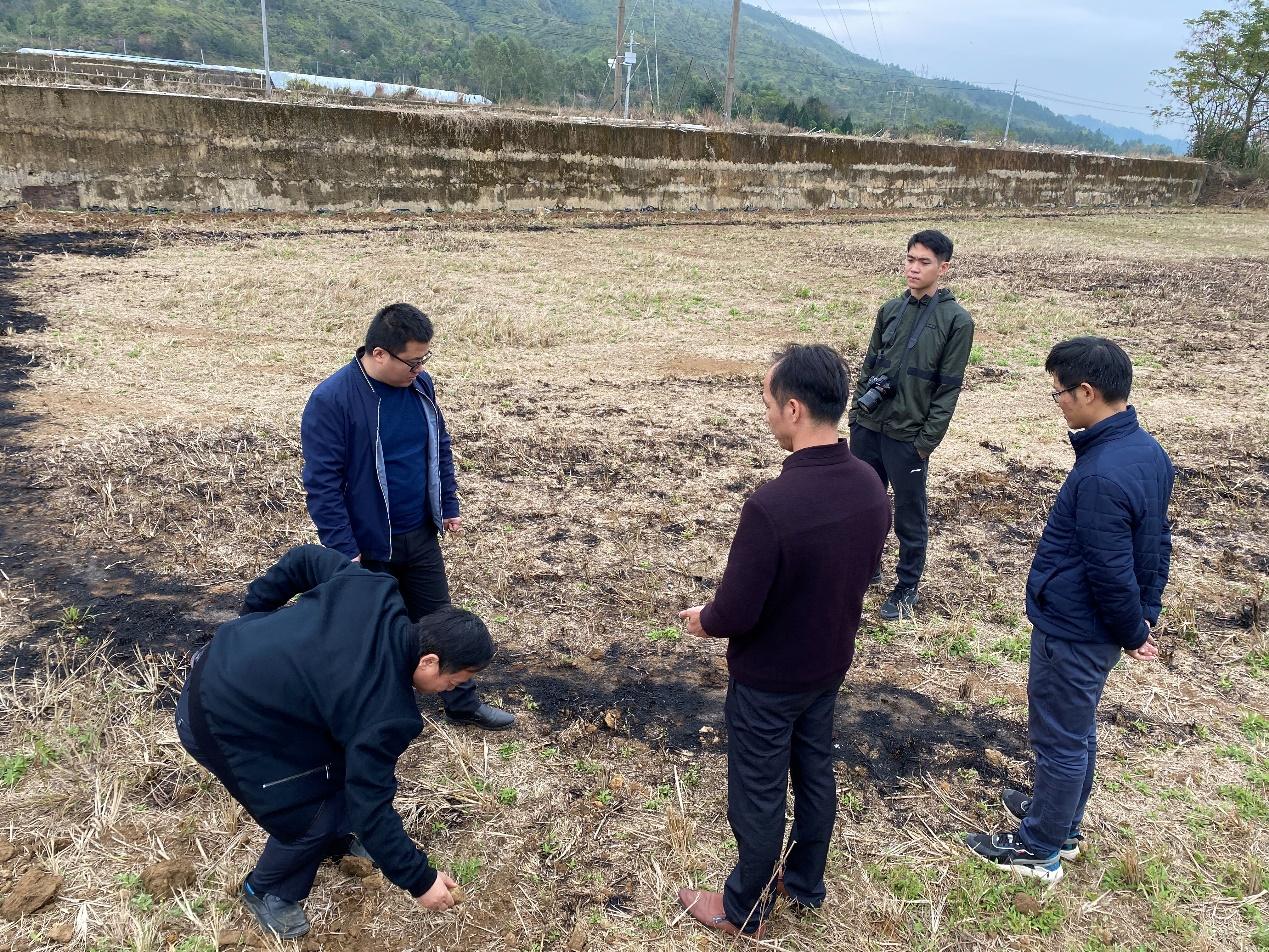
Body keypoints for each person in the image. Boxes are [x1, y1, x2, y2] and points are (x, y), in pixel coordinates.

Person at [676, 344, 890, 938]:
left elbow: (739, 610)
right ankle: (805, 884)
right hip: (827, 664)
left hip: (769, 678)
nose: (766, 413)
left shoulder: (772, 506)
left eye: (768, 402)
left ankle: (743, 906)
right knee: (815, 771)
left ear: (794, 408)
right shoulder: (871, 485)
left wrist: (705, 619)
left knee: (759, 792)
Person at [175, 544, 494, 938]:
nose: (450, 690)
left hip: (225, 660)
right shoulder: (386, 713)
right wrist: (420, 880)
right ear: (428, 661)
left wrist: (255, 617)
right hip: (214, 718)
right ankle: (267, 889)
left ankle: (335, 839)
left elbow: (304, 559)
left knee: (339, 771)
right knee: (313, 811)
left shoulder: (373, 589)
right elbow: (370, 806)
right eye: (454, 681)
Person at [965, 337, 1173, 884]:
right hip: (1094, 627)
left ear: (1087, 391)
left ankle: (1039, 847)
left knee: (1058, 738)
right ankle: (1063, 822)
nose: (1056, 400)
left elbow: (1111, 570)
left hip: (1076, 628)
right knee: (1076, 731)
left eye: (1058, 391)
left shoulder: (1102, 474)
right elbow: (1155, 543)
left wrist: (1134, 628)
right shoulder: (1147, 451)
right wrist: (1144, 613)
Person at [301, 302, 513, 731]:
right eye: (413, 361)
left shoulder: (421, 386)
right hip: (367, 546)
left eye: (424, 360)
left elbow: (439, 446)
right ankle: (381, 713)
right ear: (380, 353)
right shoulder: (332, 400)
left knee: (441, 621)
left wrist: (447, 504)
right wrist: (345, 549)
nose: (419, 368)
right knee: (373, 630)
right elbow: (322, 484)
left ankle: (461, 703)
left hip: (418, 534)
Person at [848, 229, 974, 620]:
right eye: (910, 259)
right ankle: (866, 568)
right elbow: (869, 364)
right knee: (863, 504)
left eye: (924, 262)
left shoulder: (957, 321)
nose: (914, 268)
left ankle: (906, 587)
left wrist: (925, 442)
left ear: (943, 267)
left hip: (909, 437)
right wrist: (856, 413)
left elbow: (948, 389)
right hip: (870, 426)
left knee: (909, 511)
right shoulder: (890, 309)